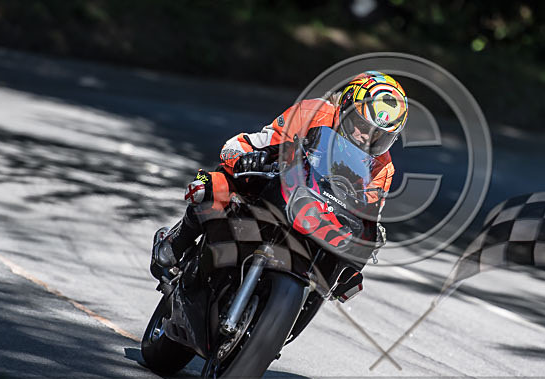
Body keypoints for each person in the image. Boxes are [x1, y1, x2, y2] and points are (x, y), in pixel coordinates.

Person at [151, 71, 408, 289]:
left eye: (379, 136)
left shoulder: (383, 166)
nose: (365, 138)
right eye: (361, 125)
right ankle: (178, 240)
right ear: (345, 108)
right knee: (215, 182)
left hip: (321, 220)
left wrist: (368, 237)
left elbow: (368, 212)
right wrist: (247, 159)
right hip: (280, 187)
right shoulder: (312, 113)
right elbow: (245, 144)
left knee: (345, 278)